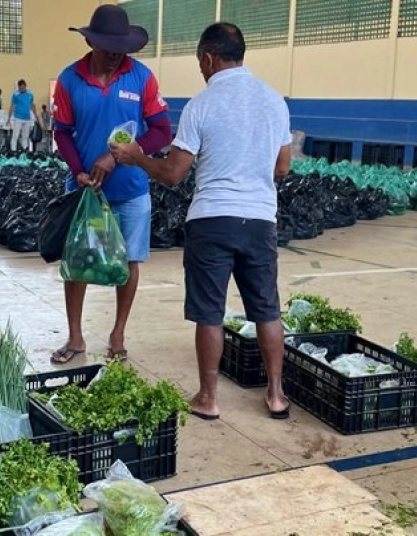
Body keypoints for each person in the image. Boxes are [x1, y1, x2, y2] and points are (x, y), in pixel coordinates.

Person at [110, 22, 292, 420]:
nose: (201, 70)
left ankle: (208, 398)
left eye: (199, 63)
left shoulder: (202, 104)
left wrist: (138, 157)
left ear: (209, 58)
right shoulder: (275, 101)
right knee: (267, 309)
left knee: (210, 312)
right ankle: (276, 395)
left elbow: (173, 174)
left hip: (212, 220)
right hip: (260, 219)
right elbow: (282, 167)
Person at [50, 4, 172, 364]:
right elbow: (63, 133)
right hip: (86, 192)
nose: (115, 59)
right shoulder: (70, 80)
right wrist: (78, 171)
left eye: (121, 52)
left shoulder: (142, 78)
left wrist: (117, 157)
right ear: (92, 43)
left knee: (129, 261)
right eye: (108, 51)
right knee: (78, 260)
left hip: (131, 190)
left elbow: (161, 131)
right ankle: (75, 337)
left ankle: (118, 333)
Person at [9, 80, 39, 151]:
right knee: (15, 136)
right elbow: (12, 106)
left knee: (25, 137)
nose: (21, 90)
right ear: (18, 87)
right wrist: (9, 117)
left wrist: (36, 115)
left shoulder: (30, 94)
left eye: (23, 88)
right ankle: (13, 152)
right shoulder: (15, 95)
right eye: (20, 88)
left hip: (27, 118)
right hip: (18, 118)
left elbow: (32, 105)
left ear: (25, 86)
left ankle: (25, 152)